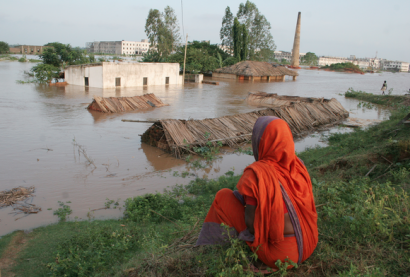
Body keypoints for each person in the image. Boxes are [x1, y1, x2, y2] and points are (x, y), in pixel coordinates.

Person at [196, 116, 318, 273]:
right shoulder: (298, 166)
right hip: (309, 244)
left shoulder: (257, 174)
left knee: (223, 196)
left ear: (261, 142)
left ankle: (227, 245)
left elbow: (252, 227)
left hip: (280, 257)